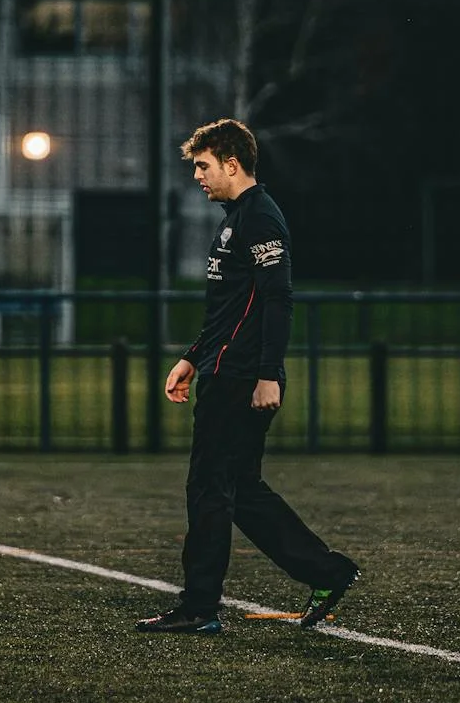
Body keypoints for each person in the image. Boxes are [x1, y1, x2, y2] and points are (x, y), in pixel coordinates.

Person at [136, 118, 361, 634]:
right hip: (224, 366)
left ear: (231, 164)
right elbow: (233, 306)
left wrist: (267, 374)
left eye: (202, 166)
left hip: (240, 376)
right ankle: (327, 570)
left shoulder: (260, 217)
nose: (197, 175)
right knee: (240, 487)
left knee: (209, 488)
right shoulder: (237, 216)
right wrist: (193, 356)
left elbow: (278, 300)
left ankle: (198, 609)